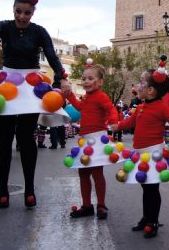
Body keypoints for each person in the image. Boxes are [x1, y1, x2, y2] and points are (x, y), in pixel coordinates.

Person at [0, 0, 70, 209]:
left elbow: (51, 55)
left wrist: (62, 78)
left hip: (30, 86)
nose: (22, 16)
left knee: (26, 138)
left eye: (27, 13)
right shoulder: (5, 26)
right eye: (18, 11)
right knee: (4, 139)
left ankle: (29, 190)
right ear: (13, 9)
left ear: (33, 13)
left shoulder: (39, 31)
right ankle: (3, 192)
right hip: (7, 85)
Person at [115, 58, 169, 238]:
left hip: (154, 156)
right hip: (140, 156)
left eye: (141, 82)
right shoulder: (140, 107)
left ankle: (153, 221)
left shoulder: (161, 108)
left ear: (150, 90)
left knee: (151, 189)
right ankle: (146, 217)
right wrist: (116, 126)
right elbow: (129, 122)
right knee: (145, 187)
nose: (137, 85)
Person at [62, 63, 119, 220]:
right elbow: (81, 108)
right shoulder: (86, 97)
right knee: (83, 172)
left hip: (97, 140)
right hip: (85, 140)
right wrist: (70, 96)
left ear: (100, 82)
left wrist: (114, 120)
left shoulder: (101, 96)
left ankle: (101, 205)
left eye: (90, 78)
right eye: (84, 79)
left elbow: (111, 109)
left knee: (97, 172)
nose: (86, 81)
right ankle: (87, 205)